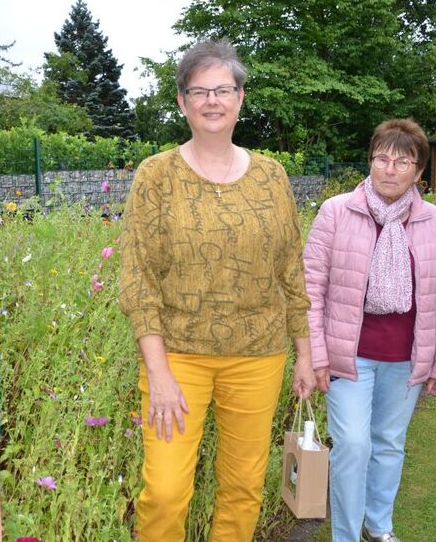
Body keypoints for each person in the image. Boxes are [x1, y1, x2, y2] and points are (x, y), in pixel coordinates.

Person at [119, 38, 316, 542]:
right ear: (182, 102)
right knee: (164, 490)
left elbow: (290, 270)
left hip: (258, 356)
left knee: (244, 486)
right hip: (177, 359)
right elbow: (138, 277)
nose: (212, 100)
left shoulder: (272, 177)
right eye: (199, 90)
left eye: (223, 89)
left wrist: (305, 355)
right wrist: (158, 372)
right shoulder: (156, 175)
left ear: (240, 99)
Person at [303, 118, 436, 542]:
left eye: (402, 161)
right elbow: (310, 290)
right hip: (348, 356)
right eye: (381, 158)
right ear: (370, 161)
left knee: (389, 443)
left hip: (406, 358)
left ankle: (379, 527)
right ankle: (346, 536)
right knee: (354, 446)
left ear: (419, 171)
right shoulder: (337, 211)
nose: (390, 169)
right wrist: (316, 355)